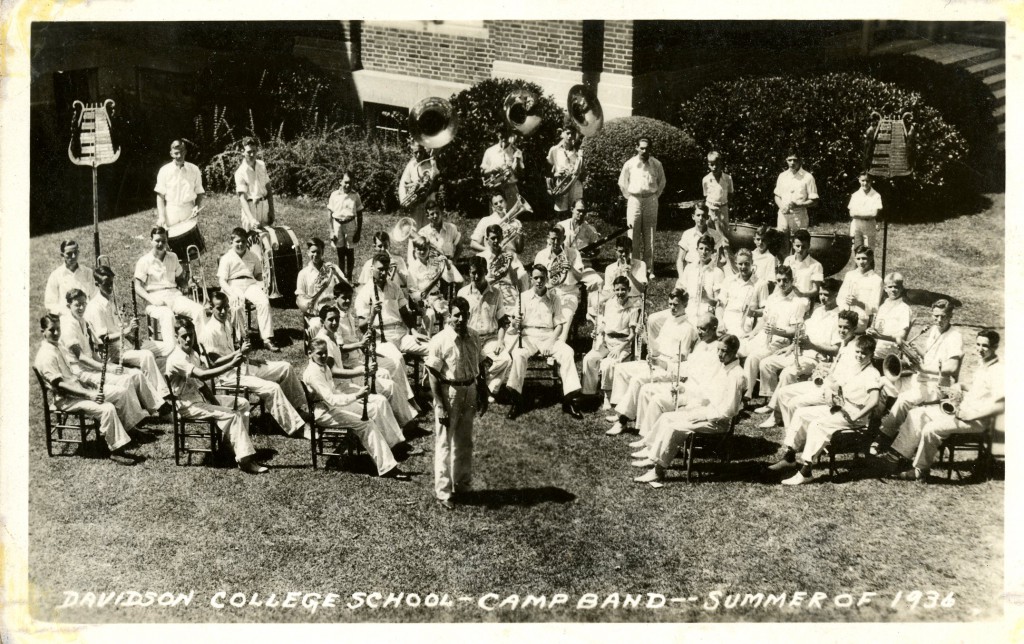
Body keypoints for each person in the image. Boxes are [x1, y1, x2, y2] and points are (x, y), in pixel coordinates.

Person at [888, 330, 1003, 482]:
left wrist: (971, 415)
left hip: (976, 420)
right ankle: (899, 456)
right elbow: (980, 390)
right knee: (917, 413)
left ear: (995, 347)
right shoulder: (983, 364)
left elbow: (1001, 406)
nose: (980, 349)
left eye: (985, 346)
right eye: (978, 344)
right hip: (962, 410)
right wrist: (961, 386)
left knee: (931, 428)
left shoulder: (998, 370)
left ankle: (920, 470)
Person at [632, 335, 746, 485]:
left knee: (674, 427)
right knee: (667, 417)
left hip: (718, 422)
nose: (719, 354)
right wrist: (685, 389)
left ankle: (657, 471)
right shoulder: (723, 368)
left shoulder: (737, 375)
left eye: (724, 351)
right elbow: (707, 392)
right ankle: (651, 454)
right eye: (718, 350)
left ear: (734, 351)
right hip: (706, 412)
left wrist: (705, 416)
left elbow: (730, 410)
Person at [774, 334, 882, 486]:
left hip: (854, 417)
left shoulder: (872, 374)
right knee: (801, 413)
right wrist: (830, 386)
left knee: (817, 425)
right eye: (857, 351)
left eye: (864, 353)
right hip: (842, 408)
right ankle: (790, 458)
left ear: (871, 354)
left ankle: (806, 471)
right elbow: (839, 384)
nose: (859, 355)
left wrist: (856, 416)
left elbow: (874, 401)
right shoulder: (854, 367)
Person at [165, 320, 267, 474]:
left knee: (243, 404)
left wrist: (214, 401)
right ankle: (245, 460)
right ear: (176, 337)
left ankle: (231, 447)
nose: (188, 340)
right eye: (184, 336)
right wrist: (232, 364)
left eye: (191, 335)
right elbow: (203, 375)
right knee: (232, 416)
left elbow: (200, 383)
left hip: (200, 398)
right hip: (188, 406)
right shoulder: (176, 359)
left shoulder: (192, 354)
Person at [200, 292, 308, 437]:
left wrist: (249, 359)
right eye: (219, 308)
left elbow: (231, 351)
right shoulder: (209, 332)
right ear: (211, 308)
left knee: (285, 367)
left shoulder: (225, 322)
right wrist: (239, 352)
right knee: (272, 388)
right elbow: (214, 363)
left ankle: (295, 409)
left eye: (226, 307)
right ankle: (296, 428)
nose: (224, 311)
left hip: (243, 366)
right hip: (228, 375)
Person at [303, 338, 411, 481]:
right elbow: (331, 399)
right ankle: (387, 467)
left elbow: (334, 393)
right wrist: (356, 396)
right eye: (319, 354)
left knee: (373, 408)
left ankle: (393, 446)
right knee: (365, 424)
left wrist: (355, 399)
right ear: (310, 353)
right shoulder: (313, 373)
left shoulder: (322, 366)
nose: (323, 356)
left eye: (325, 353)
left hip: (333, 405)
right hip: (323, 412)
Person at [873, 299, 964, 453]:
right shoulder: (934, 330)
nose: (939, 320)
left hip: (938, 385)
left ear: (950, 316)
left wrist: (923, 368)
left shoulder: (955, 336)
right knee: (882, 382)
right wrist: (914, 349)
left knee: (904, 399)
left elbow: (952, 367)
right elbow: (930, 358)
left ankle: (883, 438)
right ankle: (874, 428)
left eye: (943, 316)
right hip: (922, 379)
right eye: (936, 316)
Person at [426, 297, 492, 509]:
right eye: (456, 315)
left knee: (464, 442)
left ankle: (462, 485)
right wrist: (440, 405)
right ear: (449, 316)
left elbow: (479, 367)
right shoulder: (440, 340)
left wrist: (482, 392)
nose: (461, 319)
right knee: (444, 442)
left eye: (464, 315)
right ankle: (444, 493)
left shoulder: (474, 336)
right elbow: (433, 376)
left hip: (469, 390)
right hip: (449, 392)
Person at [34, 315, 133, 456]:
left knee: (120, 392)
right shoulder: (46, 356)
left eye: (58, 329)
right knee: (107, 408)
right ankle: (116, 449)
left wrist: (84, 383)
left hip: (77, 390)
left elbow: (68, 374)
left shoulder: (57, 346)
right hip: (66, 399)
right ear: (42, 331)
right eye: (51, 330)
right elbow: (60, 385)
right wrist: (88, 394)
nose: (56, 333)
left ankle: (124, 432)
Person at [606, 288, 699, 436]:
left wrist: (659, 361)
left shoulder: (688, 329)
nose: (672, 308)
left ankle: (622, 421)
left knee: (637, 380)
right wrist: (645, 336)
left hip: (670, 370)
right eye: (670, 304)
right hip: (657, 361)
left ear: (685, 304)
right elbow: (658, 348)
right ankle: (622, 411)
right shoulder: (669, 320)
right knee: (622, 369)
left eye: (676, 305)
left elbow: (680, 360)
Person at [314, 303, 417, 433]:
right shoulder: (323, 341)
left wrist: (362, 345)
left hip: (348, 380)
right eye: (330, 319)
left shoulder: (331, 334)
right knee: (382, 398)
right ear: (322, 321)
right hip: (340, 389)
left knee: (391, 386)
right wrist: (360, 371)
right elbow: (333, 371)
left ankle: (406, 425)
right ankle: (401, 433)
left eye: (337, 319)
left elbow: (339, 349)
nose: (335, 322)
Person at [59, 290, 158, 424]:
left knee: (136, 374)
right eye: (77, 305)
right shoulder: (68, 325)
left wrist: (108, 365)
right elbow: (81, 357)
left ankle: (156, 409)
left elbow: (93, 353)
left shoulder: (82, 321)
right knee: (125, 380)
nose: (81, 308)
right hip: (81, 373)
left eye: (83, 304)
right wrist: (108, 369)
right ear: (68, 305)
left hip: (93, 366)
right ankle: (133, 423)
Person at [504, 264, 585, 421]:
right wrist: (516, 323)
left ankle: (569, 400)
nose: (539, 281)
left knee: (567, 352)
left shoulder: (554, 298)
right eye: (536, 278)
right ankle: (516, 400)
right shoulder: (523, 297)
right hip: (528, 335)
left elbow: (559, 325)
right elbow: (515, 325)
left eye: (542, 278)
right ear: (531, 279)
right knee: (519, 354)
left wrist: (550, 342)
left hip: (549, 335)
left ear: (547, 278)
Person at [753, 277, 842, 416]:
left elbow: (836, 350)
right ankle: (770, 400)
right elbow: (804, 333)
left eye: (827, 295)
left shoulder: (839, 317)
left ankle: (775, 411)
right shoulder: (818, 311)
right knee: (766, 363)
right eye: (821, 294)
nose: (823, 298)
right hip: (800, 353)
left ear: (836, 295)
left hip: (817, 359)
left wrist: (812, 345)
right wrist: (791, 347)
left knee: (788, 372)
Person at [760, 310, 861, 431]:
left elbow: (849, 377)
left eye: (846, 328)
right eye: (840, 326)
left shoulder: (855, 349)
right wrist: (825, 368)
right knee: (783, 393)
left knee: (793, 401)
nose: (842, 330)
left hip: (832, 390)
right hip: (825, 382)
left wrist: (829, 377)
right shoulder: (845, 342)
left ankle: (791, 432)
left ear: (855, 328)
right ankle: (789, 428)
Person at [629, 314, 723, 443]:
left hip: (696, 396)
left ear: (713, 328)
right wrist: (661, 363)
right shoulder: (701, 345)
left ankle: (652, 441)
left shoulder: (718, 352)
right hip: (686, 386)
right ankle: (646, 436)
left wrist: (683, 388)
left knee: (657, 400)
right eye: (698, 328)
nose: (699, 332)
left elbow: (708, 383)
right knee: (646, 389)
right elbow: (687, 368)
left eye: (703, 329)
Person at [87, 266, 173, 397]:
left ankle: (162, 389)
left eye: (111, 283)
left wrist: (131, 337)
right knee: (147, 356)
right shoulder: (95, 307)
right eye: (106, 284)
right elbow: (104, 339)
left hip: (126, 345)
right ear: (97, 284)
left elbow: (116, 328)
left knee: (167, 348)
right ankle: (163, 395)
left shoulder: (110, 301)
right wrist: (127, 331)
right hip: (114, 354)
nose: (110, 287)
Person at [742, 266, 809, 403]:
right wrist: (753, 333)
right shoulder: (772, 298)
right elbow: (764, 320)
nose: (782, 284)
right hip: (763, 337)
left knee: (753, 358)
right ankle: (739, 389)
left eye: (785, 280)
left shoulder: (798, 303)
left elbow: (796, 331)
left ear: (792, 280)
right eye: (779, 280)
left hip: (781, 341)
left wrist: (776, 331)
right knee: (738, 348)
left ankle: (746, 396)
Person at [133, 226, 207, 344]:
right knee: (168, 316)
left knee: (199, 310)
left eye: (164, 240)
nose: (161, 244)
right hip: (155, 298)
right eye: (157, 241)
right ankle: (172, 351)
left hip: (174, 296)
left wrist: (188, 284)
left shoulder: (173, 257)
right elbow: (138, 287)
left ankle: (205, 350)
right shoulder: (144, 261)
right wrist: (152, 300)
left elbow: (180, 280)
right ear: (151, 241)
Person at [355, 252, 430, 358]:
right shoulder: (364, 293)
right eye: (380, 269)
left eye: (386, 269)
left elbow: (404, 312)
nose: (384, 273)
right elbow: (362, 326)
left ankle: (430, 374)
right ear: (372, 268)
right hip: (381, 337)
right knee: (397, 358)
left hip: (401, 335)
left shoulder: (395, 287)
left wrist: (414, 331)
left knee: (433, 348)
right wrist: (373, 314)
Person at [458, 257, 513, 401]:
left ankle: (488, 388)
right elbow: (457, 320)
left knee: (505, 359)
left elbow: (502, 321)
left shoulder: (496, 293)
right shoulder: (462, 293)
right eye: (473, 273)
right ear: (469, 273)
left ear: (486, 272)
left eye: (480, 273)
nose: (476, 277)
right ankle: (479, 384)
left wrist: (500, 341)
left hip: (490, 338)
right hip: (469, 338)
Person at [217, 227, 279, 351]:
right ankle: (241, 339)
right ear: (231, 242)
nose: (240, 244)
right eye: (237, 241)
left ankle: (267, 338)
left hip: (251, 284)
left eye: (243, 242)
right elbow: (222, 281)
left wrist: (263, 284)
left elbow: (258, 275)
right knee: (237, 306)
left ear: (247, 242)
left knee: (264, 302)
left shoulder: (253, 256)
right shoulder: (226, 258)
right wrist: (231, 293)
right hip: (233, 285)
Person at [582, 276, 639, 409]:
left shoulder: (633, 308)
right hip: (606, 342)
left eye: (623, 289)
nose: (620, 293)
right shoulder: (609, 304)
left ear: (629, 290)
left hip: (622, 344)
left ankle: (607, 396)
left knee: (608, 364)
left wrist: (619, 348)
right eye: (617, 289)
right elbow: (604, 324)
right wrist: (597, 332)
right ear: (613, 290)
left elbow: (632, 335)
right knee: (589, 359)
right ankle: (588, 394)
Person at [618, 137, 666, 277]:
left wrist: (654, 196)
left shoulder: (656, 164)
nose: (644, 151)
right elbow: (622, 182)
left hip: (650, 200)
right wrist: (631, 197)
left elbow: (662, 182)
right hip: (634, 200)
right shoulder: (630, 164)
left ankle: (649, 269)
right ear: (637, 148)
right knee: (632, 234)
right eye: (642, 148)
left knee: (649, 234)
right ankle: (634, 267)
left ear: (650, 149)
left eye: (647, 148)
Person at [534, 225, 587, 343]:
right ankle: (544, 342)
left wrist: (571, 268)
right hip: (548, 292)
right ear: (548, 238)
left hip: (568, 293)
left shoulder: (574, 253)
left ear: (564, 238)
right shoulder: (541, 255)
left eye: (559, 239)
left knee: (566, 316)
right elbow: (536, 278)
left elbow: (580, 278)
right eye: (553, 239)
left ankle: (560, 343)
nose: (556, 242)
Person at [154, 139, 205, 259]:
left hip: (188, 211)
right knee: (173, 252)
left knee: (191, 252)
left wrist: (196, 206)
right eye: (176, 153)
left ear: (185, 151)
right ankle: (176, 275)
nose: (179, 155)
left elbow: (199, 192)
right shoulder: (164, 171)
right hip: (171, 212)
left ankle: (189, 275)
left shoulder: (194, 169)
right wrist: (161, 216)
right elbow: (160, 196)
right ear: (171, 154)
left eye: (182, 152)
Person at [296, 237, 349, 339]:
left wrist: (336, 274)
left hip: (334, 309)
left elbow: (347, 288)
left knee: (343, 323)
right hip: (316, 314)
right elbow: (300, 298)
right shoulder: (303, 274)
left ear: (323, 252)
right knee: (315, 325)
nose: (315, 255)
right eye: (313, 252)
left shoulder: (332, 268)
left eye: (318, 252)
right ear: (307, 252)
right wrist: (308, 307)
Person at [408, 237, 462, 336]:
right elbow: (412, 289)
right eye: (419, 249)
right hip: (424, 300)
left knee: (448, 315)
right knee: (430, 314)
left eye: (425, 249)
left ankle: (448, 338)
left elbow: (449, 279)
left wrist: (447, 265)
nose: (422, 251)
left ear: (429, 249)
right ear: (414, 250)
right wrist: (421, 302)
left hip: (437, 298)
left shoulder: (435, 262)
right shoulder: (413, 267)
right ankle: (426, 339)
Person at [716, 249, 768, 348]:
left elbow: (765, 312)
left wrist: (753, 314)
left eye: (747, 264)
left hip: (744, 327)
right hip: (725, 323)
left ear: (752, 263)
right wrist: (720, 321)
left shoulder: (761, 284)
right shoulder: (728, 281)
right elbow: (720, 305)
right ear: (735, 264)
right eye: (740, 264)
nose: (743, 267)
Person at [478, 224, 528, 312]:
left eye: (498, 237)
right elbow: (479, 283)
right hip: (489, 293)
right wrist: (498, 277)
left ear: (502, 237)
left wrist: (509, 267)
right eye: (493, 238)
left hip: (508, 293)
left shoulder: (509, 255)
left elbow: (515, 281)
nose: (496, 241)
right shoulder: (481, 257)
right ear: (487, 239)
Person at [676, 234, 725, 321]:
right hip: (686, 310)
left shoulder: (717, 272)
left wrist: (707, 298)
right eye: (701, 248)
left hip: (705, 313)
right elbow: (680, 290)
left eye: (707, 249)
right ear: (697, 250)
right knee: (653, 320)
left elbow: (719, 303)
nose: (704, 252)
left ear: (713, 251)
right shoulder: (689, 268)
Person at [865, 271, 912, 362]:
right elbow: (878, 328)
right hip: (876, 351)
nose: (893, 290)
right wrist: (871, 331)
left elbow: (901, 336)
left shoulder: (904, 308)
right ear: (885, 289)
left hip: (890, 354)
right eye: (890, 287)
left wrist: (880, 336)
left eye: (896, 287)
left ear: (901, 289)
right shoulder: (882, 307)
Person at [326, 171, 364, 280]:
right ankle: (341, 277)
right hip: (337, 224)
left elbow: (360, 214)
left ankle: (349, 277)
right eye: (346, 182)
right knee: (340, 252)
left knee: (350, 252)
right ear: (340, 182)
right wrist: (331, 231)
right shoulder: (334, 195)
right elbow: (330, 213)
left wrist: (358, 232)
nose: (348, 185)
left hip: (350, 224)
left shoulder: (355, 196)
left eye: (351, 183)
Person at [44, 239, 97, 316]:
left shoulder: (88, 272)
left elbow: (95, 297)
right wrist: (66, 315)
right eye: (69, 254)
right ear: (62, 255)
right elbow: (50, 304)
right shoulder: (55, 276)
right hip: (66, 319)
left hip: (87, 317)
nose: (73, 256)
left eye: (75, 252)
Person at [837, 246, 883, 332]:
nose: (861, 262)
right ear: (855, 259)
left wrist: (858, 303)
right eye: (858, 259)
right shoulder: (849, 275)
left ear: (871, 258)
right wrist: (844, 312)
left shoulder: (876, 280)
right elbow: (840, 298)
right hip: (844, 317)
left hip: (861, 320)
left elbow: (874, 308)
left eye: (864, 258)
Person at [235, 137, 275, 230]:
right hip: (251, 210)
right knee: (252, 241)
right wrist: (251, 219)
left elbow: (268, 189)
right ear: (242, 152)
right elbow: (242, 199)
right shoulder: (240, 172)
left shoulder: (262, 165)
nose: (252, 154)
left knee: (267, 239)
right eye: (249, 152)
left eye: (254, 151)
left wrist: (271, 210)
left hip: (265, 207)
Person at [773, 149, 818, 232]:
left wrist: (799, 205)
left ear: (800, 160)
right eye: (789, 160)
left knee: (798, 242)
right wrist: (782, 207)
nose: (792, 163)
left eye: (795, 160)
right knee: (782, 241)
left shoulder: (808, 177)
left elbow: (814, 200)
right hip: (783, 216)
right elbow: (777, 196)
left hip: (799, 217)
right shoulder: (782, 176)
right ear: (786, 161)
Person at [480, 128, 526, 208]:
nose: (504, 136)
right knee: (496, 218)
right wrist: (492, 170)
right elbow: (482, 172)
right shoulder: (489, 151)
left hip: (511, 189)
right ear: (498, 135)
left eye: (507, 133)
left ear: (511, 135)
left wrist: (517, 160)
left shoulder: (517, 151)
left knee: (513, 217)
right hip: (495, 190)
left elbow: (521, 174)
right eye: (501, 133)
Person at [398, 139, 437, 230]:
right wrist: (405, 200)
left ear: (424, 150)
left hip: (429, 203)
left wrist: (426, 193)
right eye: (416, 152)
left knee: (430, 230)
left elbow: (436, 183)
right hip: (416, 205)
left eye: (421, 152)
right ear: (412, 152)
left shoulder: (431, 164)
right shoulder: (411, 165)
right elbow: (404, 183)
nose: (418, 155)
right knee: (414, 229)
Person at [676, 206, 727, 274]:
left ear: (708, 217)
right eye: (698, 215)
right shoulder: (687, 234)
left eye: (703, 215)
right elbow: (680, 260)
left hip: (710, 272)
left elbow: (722, 258)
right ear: (693, 216)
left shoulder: (715, 235)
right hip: (691, 272)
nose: (701, 218)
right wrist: (682, 277)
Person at [413, 199, 463, 268]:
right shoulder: (422, 232)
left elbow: (460, 247)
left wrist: (453, 261)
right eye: (432, 214)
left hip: (449, 264)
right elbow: (417, 253)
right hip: (431, 266)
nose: (435, 216)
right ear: (427, 216)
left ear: (442, 212)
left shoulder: (452, 228)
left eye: (437, 212)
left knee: (460, 279)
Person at [547, 127, 584, 217]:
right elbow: (548, 169)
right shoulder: (554, 150)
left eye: (573, 134)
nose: (570, 136)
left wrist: (581, 157)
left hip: (575, 185)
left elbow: (582, 171)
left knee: (577, 211)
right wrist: (555, 174)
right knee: (561, 213)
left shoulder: (578, 151)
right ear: (561, 134)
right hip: (562, 185)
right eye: (567, 133)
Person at [782, 229, 823, 305]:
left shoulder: (816, 265)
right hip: (786, 297)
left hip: (802, 301)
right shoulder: (788, 260)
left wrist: (802, 294)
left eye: (803, 246)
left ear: (809, 246)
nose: (800, 249)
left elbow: (816, 290)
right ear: (793, 245)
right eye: (797, 246)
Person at [601, 237, 647, 304]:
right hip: (615, 302)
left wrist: (630, 276)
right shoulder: (609, 268)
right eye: (621, 251)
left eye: (626, 251)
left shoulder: (641, 264)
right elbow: (607, 292)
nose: (624, 254)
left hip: (634, 301)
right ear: (616, 250)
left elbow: (642, 289)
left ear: (631, 250)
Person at [848, 171, 883, 249]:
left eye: (868, 181)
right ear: (859, 180)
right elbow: (852, 214)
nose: (865, 183)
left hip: (869, 226)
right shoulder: (855, 195)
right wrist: (868, 214)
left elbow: (874, 214)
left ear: (871, 181)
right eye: (863, 180)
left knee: (868, 251)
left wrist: (858, 214)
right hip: (856, 226)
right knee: (856, 250)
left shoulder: (876, 195)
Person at [702, 150, 734, 230]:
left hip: (723, 209)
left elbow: (730, 194)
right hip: (710, 209)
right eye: (712, 165)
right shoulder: (706, 179)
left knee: (724, 231)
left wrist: (724, 206)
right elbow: (705, 195)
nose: (715, 167)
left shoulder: (728, 178)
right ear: (708, 165)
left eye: (717, 164)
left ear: (721, 164)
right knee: (711, 231)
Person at [750, 225, 779, 292]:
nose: (760, 242)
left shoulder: (771, 258)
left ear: (768, 241)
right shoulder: (750, 254)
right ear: (754, 240)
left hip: (761, 290)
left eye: (763, 240)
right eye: (758, 239)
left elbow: (770, 281)